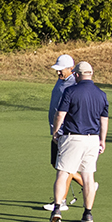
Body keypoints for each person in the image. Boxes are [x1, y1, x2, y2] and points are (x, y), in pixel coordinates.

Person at [50, 60, 108, 222]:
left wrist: (55, 132)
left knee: (63, 172)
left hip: (73, 137)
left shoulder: (70, 91)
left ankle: (57, 208)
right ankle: (88, 214)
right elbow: (104, 120)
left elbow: (60, 114)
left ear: (76, 74)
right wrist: (102, 140)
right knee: (88, 176)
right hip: (93, 140)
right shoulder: (101, 94)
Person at [41, 54, 90, 213]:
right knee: (57, 164)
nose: (57, 73)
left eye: (60, 70)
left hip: (66, 131)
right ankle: (87, 183)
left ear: (71, 69)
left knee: (64, 167)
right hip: (56, 130)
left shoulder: (73, 84)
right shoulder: (61, 80)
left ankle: (61, 201)